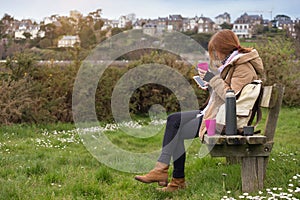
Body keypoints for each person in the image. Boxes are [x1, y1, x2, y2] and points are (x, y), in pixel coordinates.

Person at [134, 29, 264, 192]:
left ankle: (174, 179)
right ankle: (164, 171)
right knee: (173, 119)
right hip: (214, 113)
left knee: (177, 130)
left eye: (215, 51)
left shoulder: (243, 66)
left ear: (224, 48)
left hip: (224, 122)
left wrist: (211, 78)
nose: (214, 56)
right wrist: (210, 85)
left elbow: (231, 97)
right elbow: (225, 91)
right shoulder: (232, 63)